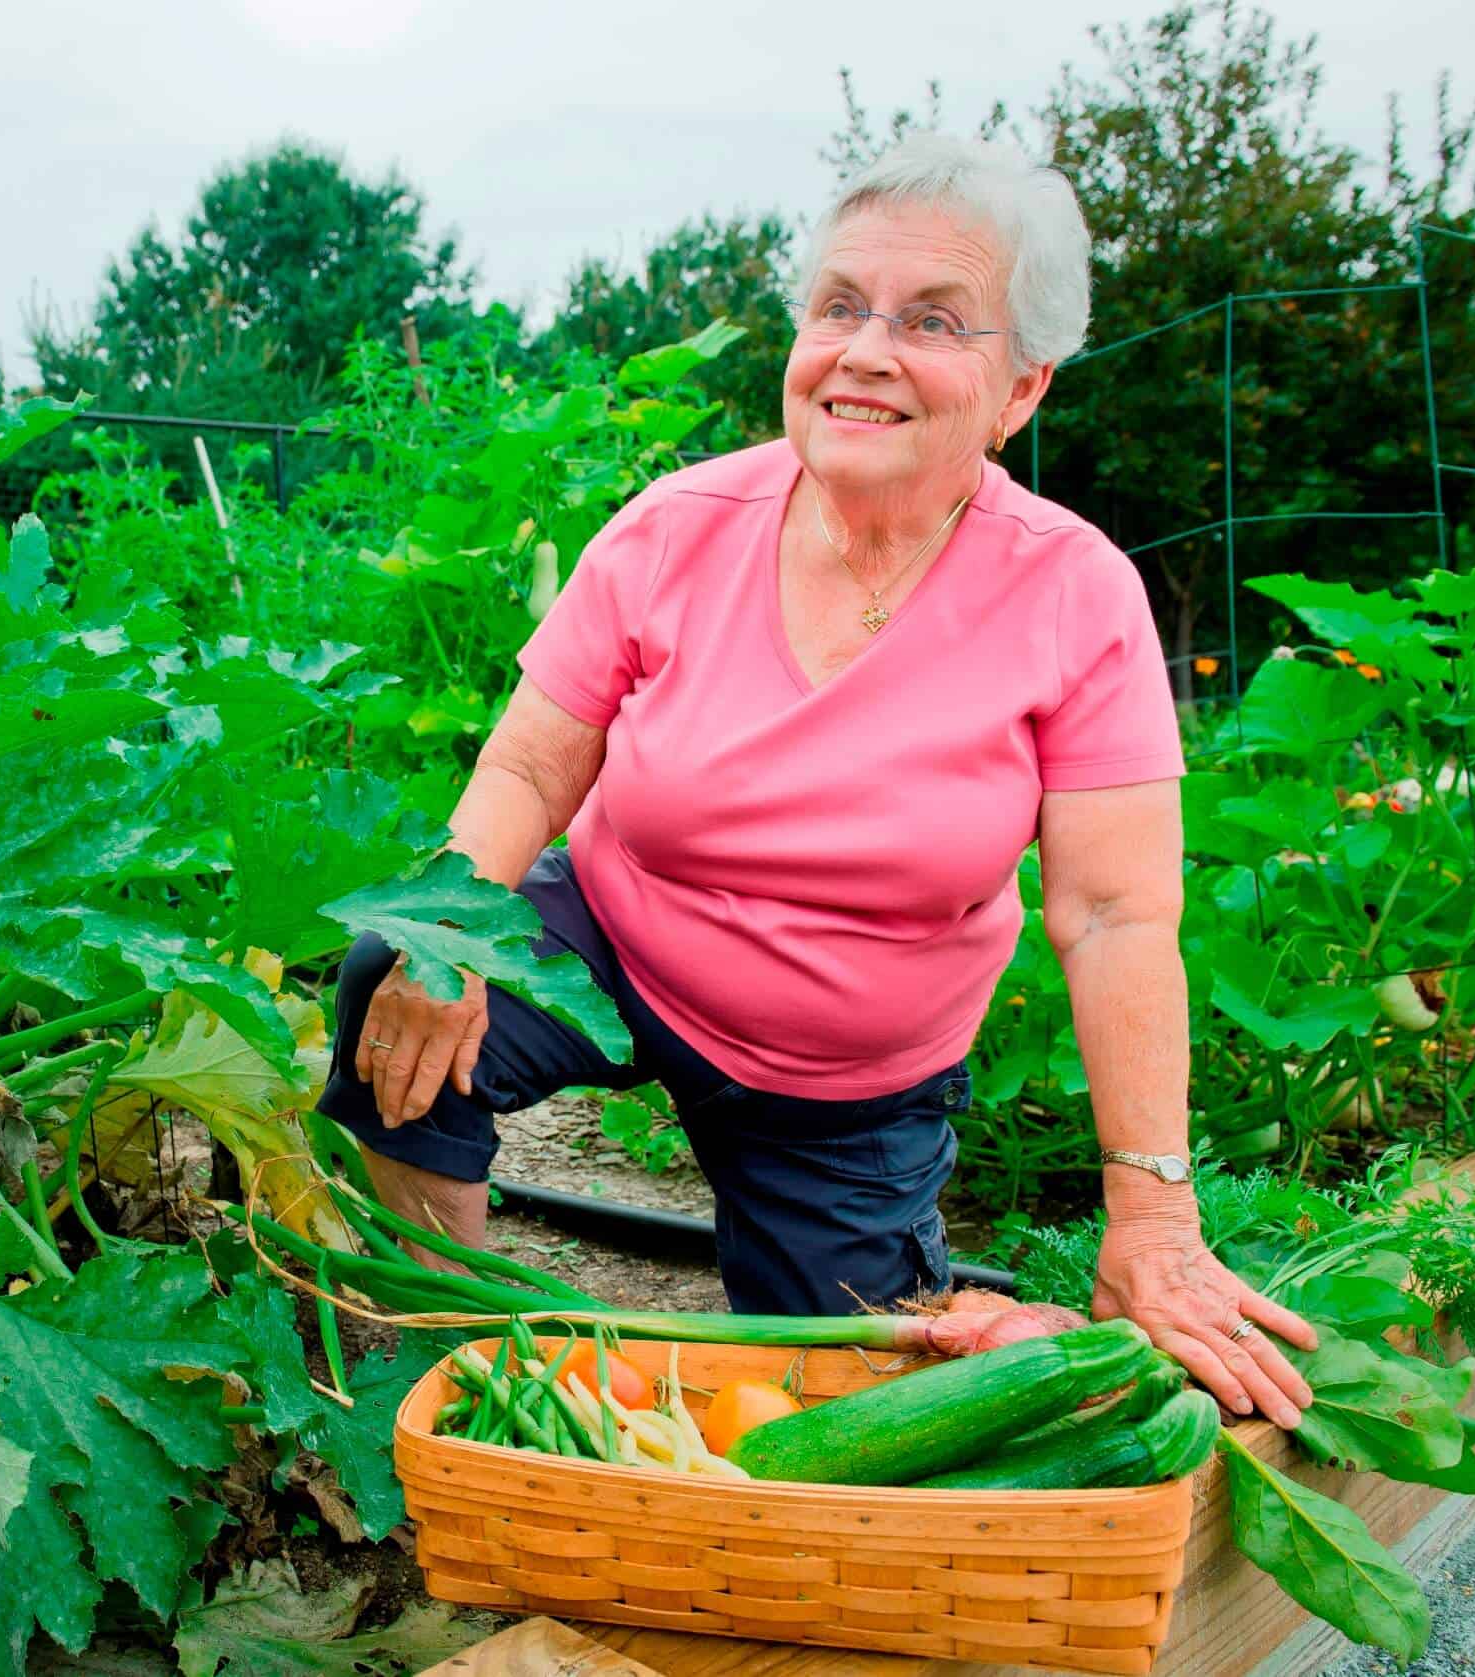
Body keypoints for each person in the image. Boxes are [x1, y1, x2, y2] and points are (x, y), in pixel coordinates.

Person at [318, 134, 1315, 1430]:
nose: (865, 349)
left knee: (836, 1404)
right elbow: (524, 763)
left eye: (934, 321)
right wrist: (451, 935)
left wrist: (1157, 1214)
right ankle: (445, 1371)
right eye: (839, 306)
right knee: (395, 971)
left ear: (1020, 391)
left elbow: (1117, 916)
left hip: (847, 1078)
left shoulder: (1075, 597)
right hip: (618, 941)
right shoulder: (675, 530)